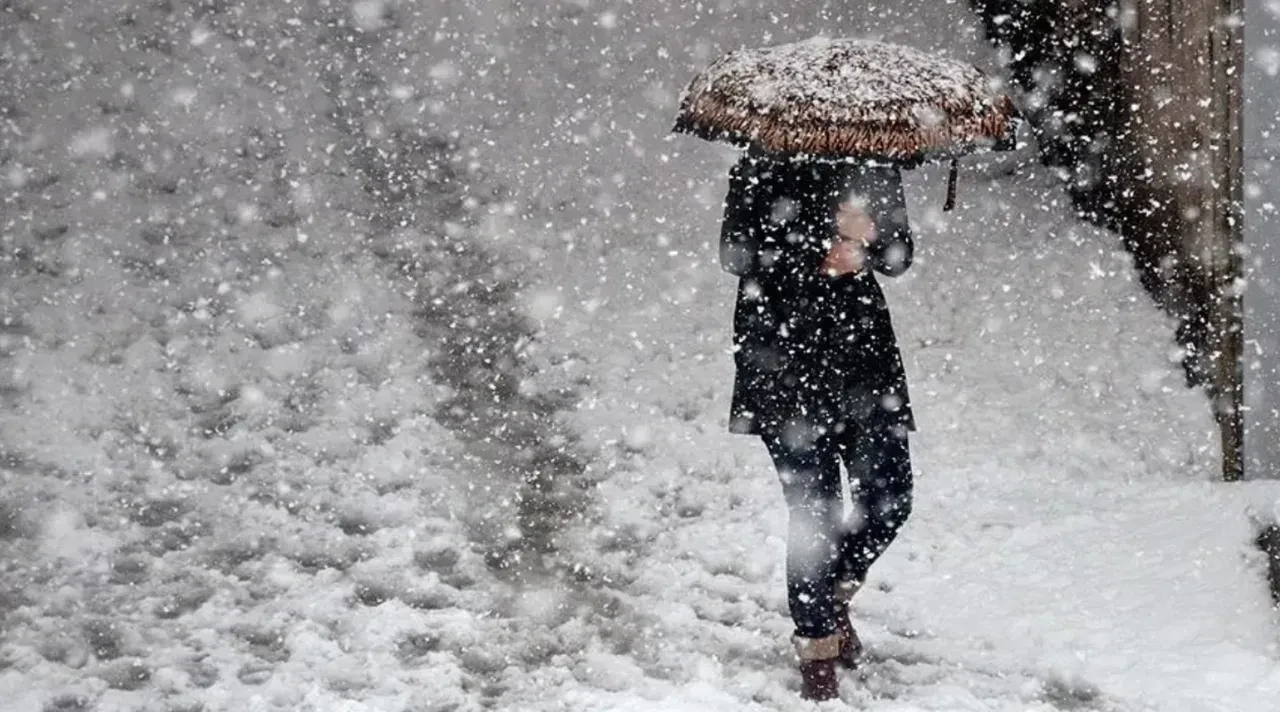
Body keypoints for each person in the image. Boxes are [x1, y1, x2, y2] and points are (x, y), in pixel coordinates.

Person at [719, 149, 915, 701]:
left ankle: (827, 598)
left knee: (890, 497)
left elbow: (899, 257)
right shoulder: (760, 165)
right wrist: (821, 242)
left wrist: (869, 242)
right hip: (782, 359)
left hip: (864, 361)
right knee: (815, 515)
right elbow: (736, 254)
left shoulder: (873, 164)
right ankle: (817, 652)